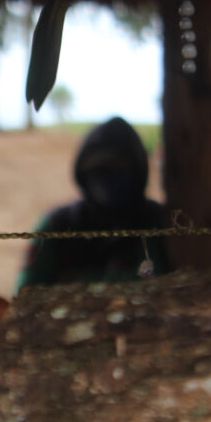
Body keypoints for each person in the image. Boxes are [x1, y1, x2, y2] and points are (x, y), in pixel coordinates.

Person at [15, 116, 174, 291]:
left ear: (138, 173)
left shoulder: (160, 224)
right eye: (98, 170)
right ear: (83, 174)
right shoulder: (59, 226)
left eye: (118, 169)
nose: (107, 179)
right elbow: (25, 296)